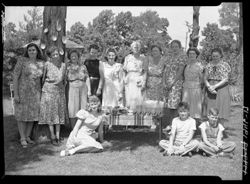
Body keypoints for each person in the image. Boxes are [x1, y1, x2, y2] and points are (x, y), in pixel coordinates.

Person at [13, 43, 44, 148]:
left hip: (35, 93)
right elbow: (15, 77)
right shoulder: (22, 61)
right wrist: (16, 93)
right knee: (21, 115)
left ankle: (27, 137)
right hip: (22, 92)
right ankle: (22, 138)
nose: (32, 52)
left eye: (33, 50)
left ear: (37, 51)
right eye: (30, 50)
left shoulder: (41, 63)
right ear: (27, 51)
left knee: (32, 115)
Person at [39, 46, 67, 146]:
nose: (56, 56)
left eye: (57, 54)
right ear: (50, 56)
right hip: (48, 91)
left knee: (58, 115)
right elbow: (42, 78)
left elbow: (64, 79)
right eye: (53, 54)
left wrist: (61, 85)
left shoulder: (63, 65)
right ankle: (52, 136)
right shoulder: (47, 64)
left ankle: (58, 136)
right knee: (50, 115)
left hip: (59, 92)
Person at [163, 40, 187, 126]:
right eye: (172, 47)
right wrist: (165, 82)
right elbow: (165, 71)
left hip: (176, 83)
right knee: (168, 105)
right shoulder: (169, 58)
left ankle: (174, 125)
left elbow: (180, 71)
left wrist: (172, 83)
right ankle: (169, 124)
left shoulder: (182, 57)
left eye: (176, 46)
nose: (174, 48)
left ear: (180, 48)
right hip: (167, 83)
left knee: (175, 105)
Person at [204, 48, 231, 123]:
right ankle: (210, 129)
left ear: (220, 56)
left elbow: (225, 79)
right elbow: (205, 78)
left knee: (220, 109)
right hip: (210, 88)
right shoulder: (208, 65)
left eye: (217, 56)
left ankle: (220, 130)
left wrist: (215, 86)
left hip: (221, 88)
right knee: (210, 108)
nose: (215, 57)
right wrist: (209, 86)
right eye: (213, 56)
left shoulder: (225, 65)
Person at [66, 49, 90, 129]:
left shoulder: (83, 66)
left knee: (83, 108)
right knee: (73, 108)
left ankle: (82, 129)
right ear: (69, 57)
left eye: (75, 56)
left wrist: (89, 90)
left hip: (83, 88)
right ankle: (74, 129)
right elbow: (64, 79)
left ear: (78, 57)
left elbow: (87, 78)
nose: (74, 57)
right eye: (72, 56)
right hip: (72, 88)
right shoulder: (67, 67)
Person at [144, 45, 166, 128]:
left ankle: (158, 120)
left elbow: (164, 72)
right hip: (150, 82)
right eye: (153, 51)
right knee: (150, 102)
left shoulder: (164, 60)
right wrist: (144, 82)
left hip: (159, 82)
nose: (154, 52)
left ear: (160, 52)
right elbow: (145, 71)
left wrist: (163, 83)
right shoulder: (148, 59)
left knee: (158, 102)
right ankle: (151, 121)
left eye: (156, 51)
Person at [123, 41, 146, 111]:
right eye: (134, 47)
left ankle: (138, 112)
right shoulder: (127, 57)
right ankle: (130, 111)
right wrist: (124, 78)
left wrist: (143, 80)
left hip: (139, 77)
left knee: (138, 96)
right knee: (129, 96)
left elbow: (145, 71)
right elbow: (124, 70)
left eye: (137, 47)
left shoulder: (143, 58)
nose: (136, 49)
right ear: (131, 48)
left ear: (140, 48)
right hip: (129, 78)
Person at [182, 47, 204, 120]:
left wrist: (199, 87)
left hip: (195, 89)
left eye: (193, 54)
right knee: (185, 106)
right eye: (190, 54)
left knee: (194, 107)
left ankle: (194, 125)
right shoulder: (186, 65)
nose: (191, 55)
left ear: (196, 55)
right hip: (186, 88)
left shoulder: (199, 66)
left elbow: (202, 79)